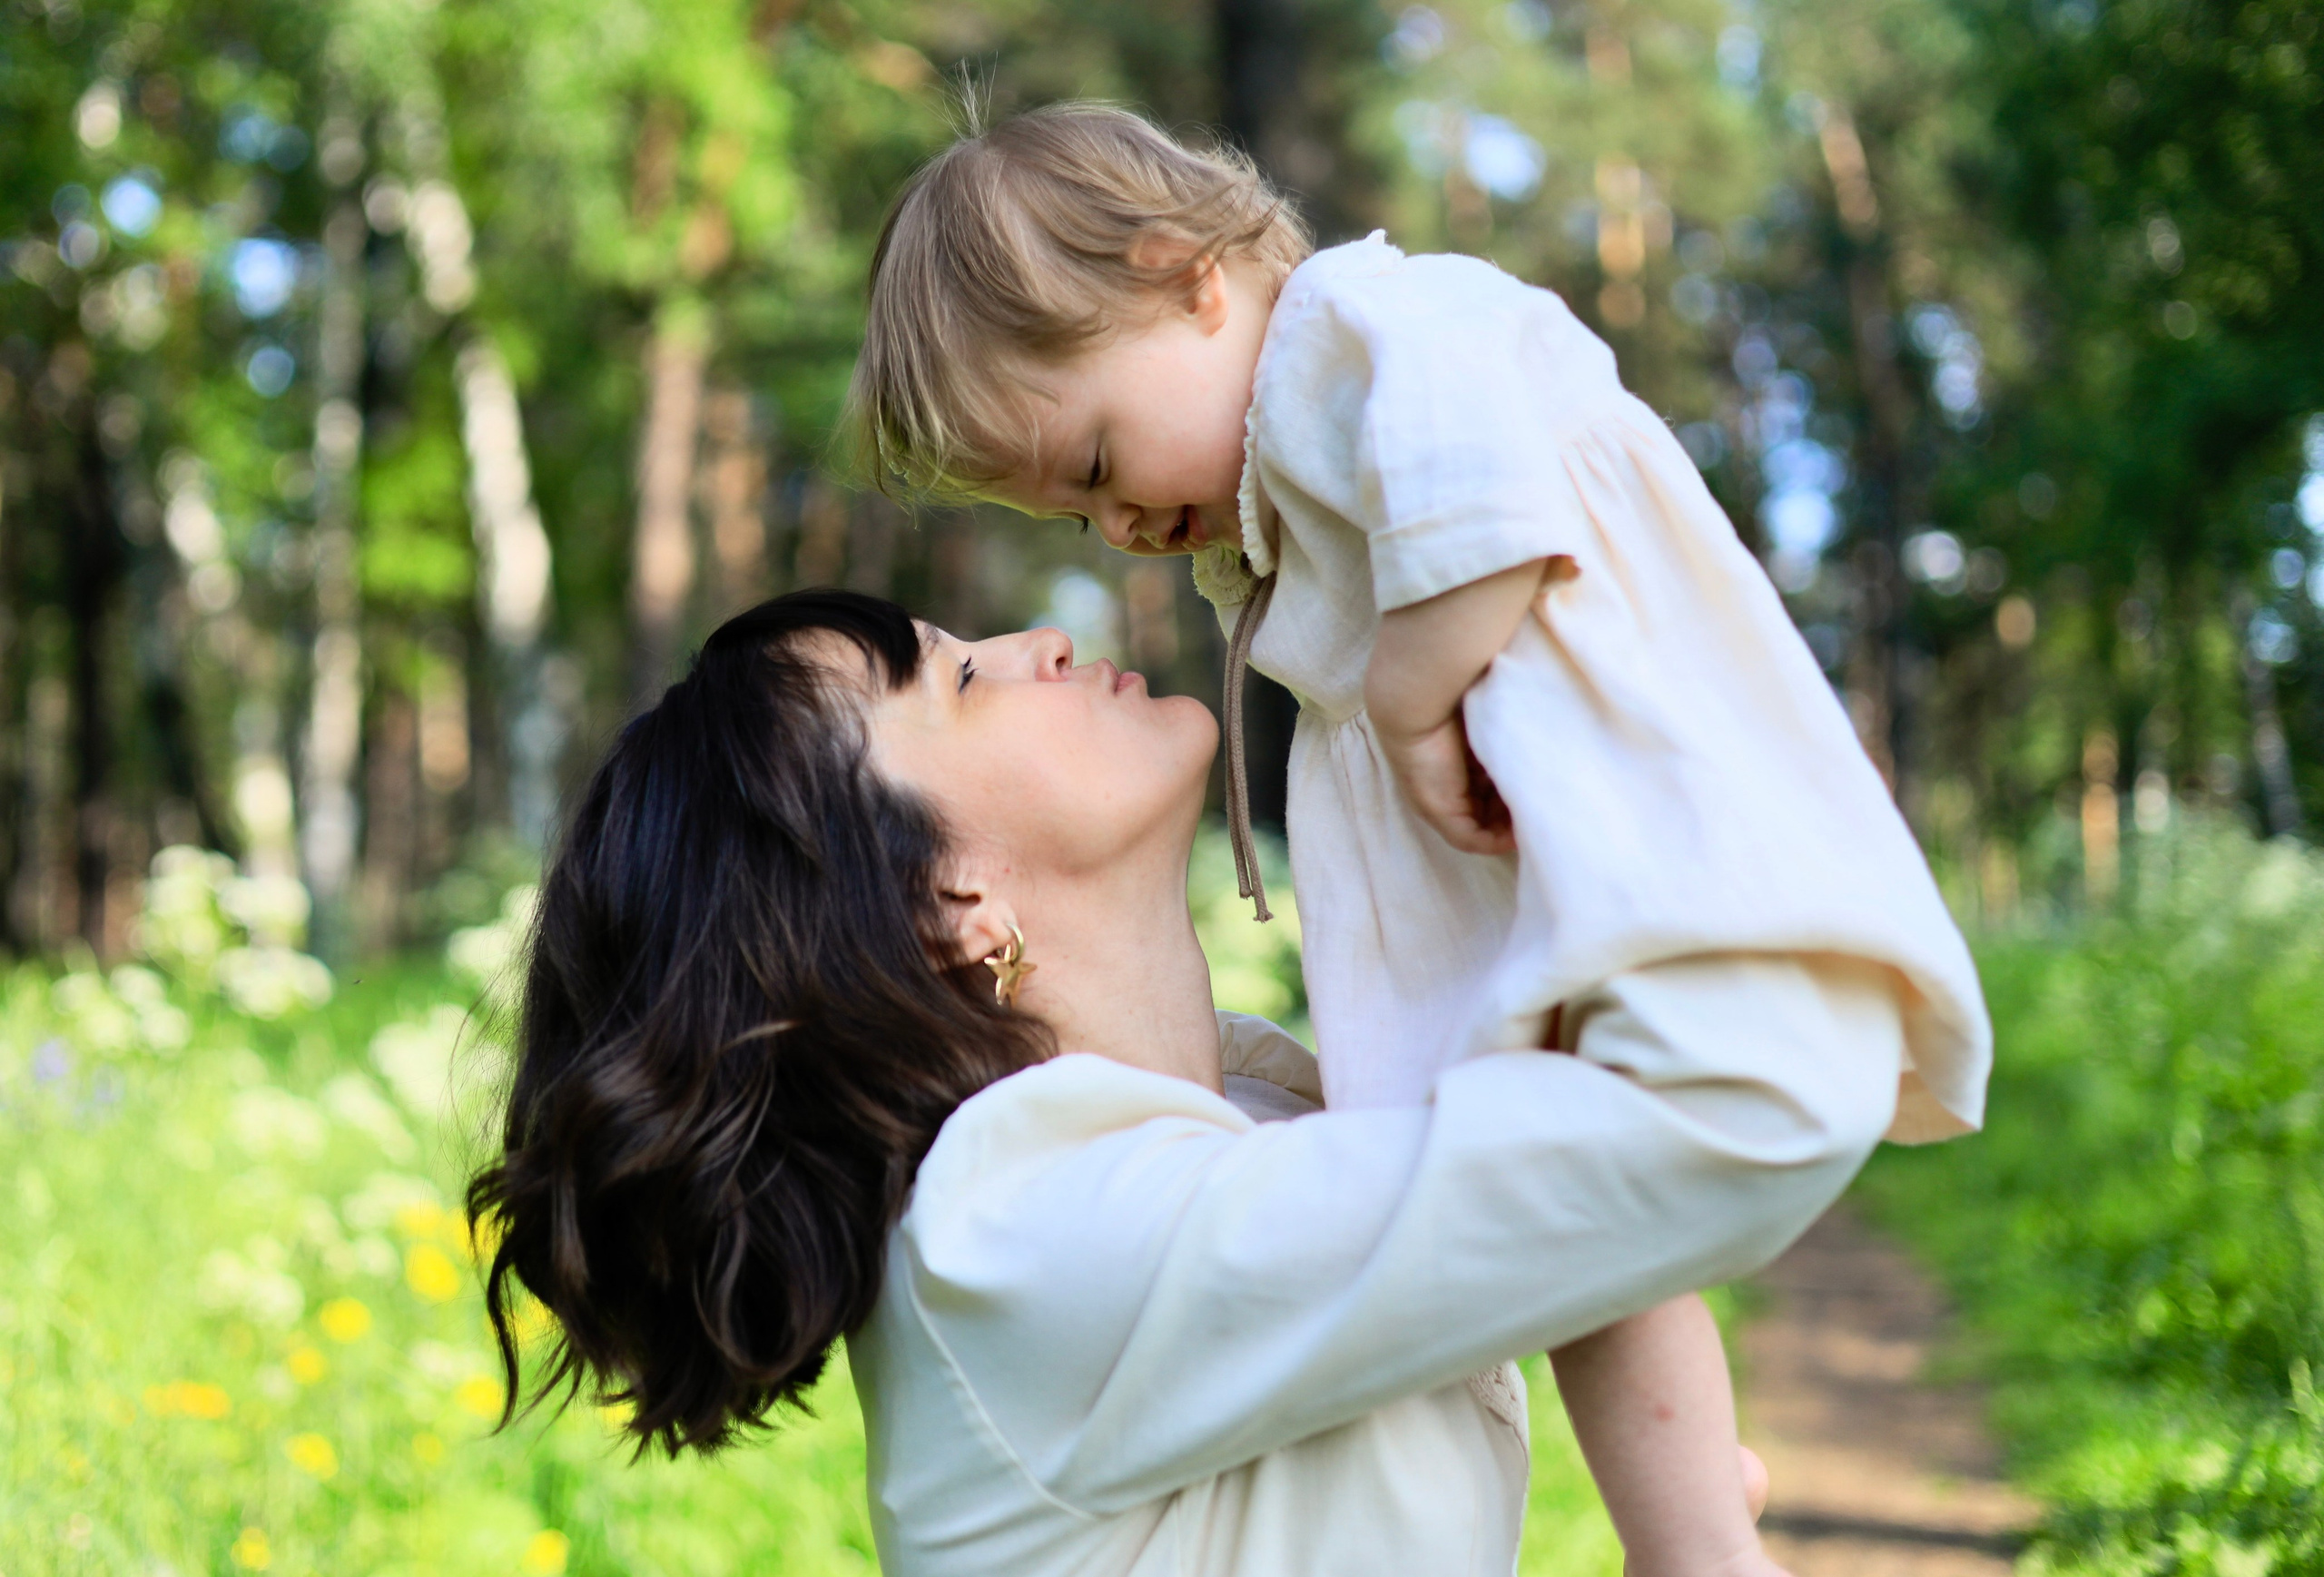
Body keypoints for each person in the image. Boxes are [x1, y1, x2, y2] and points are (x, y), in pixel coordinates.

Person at [845, 103, 1994, 1575]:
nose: (1122, 530)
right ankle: (1696, 1537)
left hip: (1639, 848)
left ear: (1187, 276)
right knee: (1593, 1273)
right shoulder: (1278, 492)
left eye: (1092, 465)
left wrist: (1407, 693)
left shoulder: (1374, 325)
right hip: (1553, 922)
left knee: (1595, 1231)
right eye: (1080, 520)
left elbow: (1496, 495)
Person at [471, 590, 1905, 1576]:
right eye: (958, 676)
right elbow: (1669, 1144)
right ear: (941, 899)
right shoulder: (1020, 1235)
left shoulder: (1250, 1122)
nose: (1037, 638)